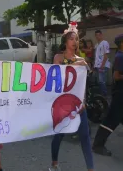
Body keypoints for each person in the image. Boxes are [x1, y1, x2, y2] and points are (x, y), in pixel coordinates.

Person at [49, 24, 94, 171]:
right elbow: (58, 72)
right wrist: (77, 63)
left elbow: (83, 82)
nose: (74, 42)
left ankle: (91, 168)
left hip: (78, 104)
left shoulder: (81, 59)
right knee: (59, 135)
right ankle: (54, 163)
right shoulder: (58, 57)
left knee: (85, 137)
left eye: (76, 39)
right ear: (65, 41)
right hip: (62, 104)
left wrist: (84, 102)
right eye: (71, 38)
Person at [94, 30, 110, 97]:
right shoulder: (96, 45)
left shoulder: (105, 43)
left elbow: (106, 55)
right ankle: (102, 94)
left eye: (99, 35)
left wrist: (102, 65)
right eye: (96, 35)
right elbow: (96, 56)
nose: (97, 36)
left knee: (102, 81)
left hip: (103, 65)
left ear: (101, 35)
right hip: (97, 65)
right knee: (99, 81)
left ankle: (104, 94)